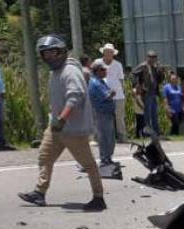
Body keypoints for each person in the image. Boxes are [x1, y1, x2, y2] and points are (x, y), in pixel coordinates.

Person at [17, 34, 105, 212]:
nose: (49, 57)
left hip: (72, 129)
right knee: (44, 156)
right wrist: (55, 121)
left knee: (87, 164)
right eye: (45, 54)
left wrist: (63, 118)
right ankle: (40, 193)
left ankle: (98, 198)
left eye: (52, 53)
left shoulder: (69, 70)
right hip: (56, 127)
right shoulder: (55, 72)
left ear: (62, 51)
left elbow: (76, 96)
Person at [88, 59, 116, 167]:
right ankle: (105, 159)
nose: (105, 71)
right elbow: (106, 96)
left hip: (106, 113)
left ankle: (107, 158)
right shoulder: (96, 83)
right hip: (102, 113)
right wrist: (112, 93)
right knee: (105, 137)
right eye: (103, 69)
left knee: (108, 137)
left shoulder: (100, 81)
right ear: (97, 71)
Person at [99, 43, 127, 142]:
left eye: (110, 52)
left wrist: (123, 91)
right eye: (106, 52)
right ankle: (106, 138)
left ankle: (122, 138)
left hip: (118, 95)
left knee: (120, 118)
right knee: (105, 118)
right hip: (103, 95)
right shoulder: (98, 63)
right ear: (103, 53)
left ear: (113, 53)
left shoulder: (118, 64)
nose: (108, 54)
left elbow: (121, 79)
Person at [132, 50, 164, 136]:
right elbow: (134, 73)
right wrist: (137, 85)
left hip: (153, 92)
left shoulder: (155, 67)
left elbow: (160, 80)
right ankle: (147, 132)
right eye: (151, 57)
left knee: (154, 113)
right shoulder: (143, 66)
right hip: (146, 92)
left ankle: (156, 131)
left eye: (154, 57)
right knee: (147, 113)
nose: (153, 59)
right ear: (147, 57)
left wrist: (160, 71)